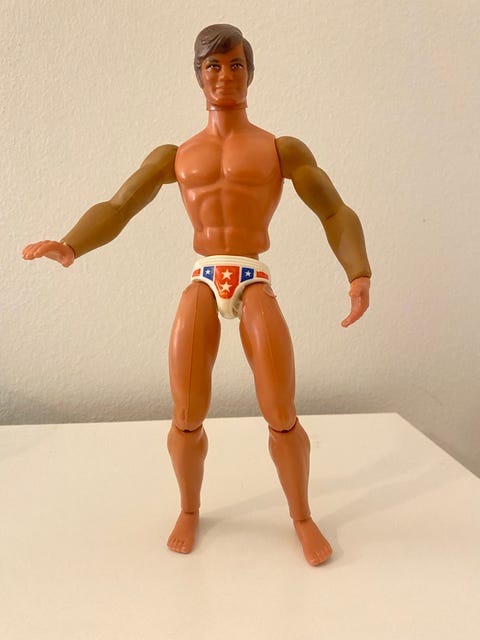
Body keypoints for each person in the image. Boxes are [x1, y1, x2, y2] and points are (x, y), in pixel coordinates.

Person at [23, 24, 371, 566]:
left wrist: (358, 272)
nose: (224, 75)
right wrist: (71, 245)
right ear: (197, 75)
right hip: (204, 277)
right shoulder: (177, 154)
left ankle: (302, 516)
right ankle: (189, 508)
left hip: (251, 276)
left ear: (250, 73)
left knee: (281, 410)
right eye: (213, 65)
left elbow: (333, 210)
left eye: (235, 65)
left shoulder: (279, 148)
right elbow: (119, 206)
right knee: (186, 411)